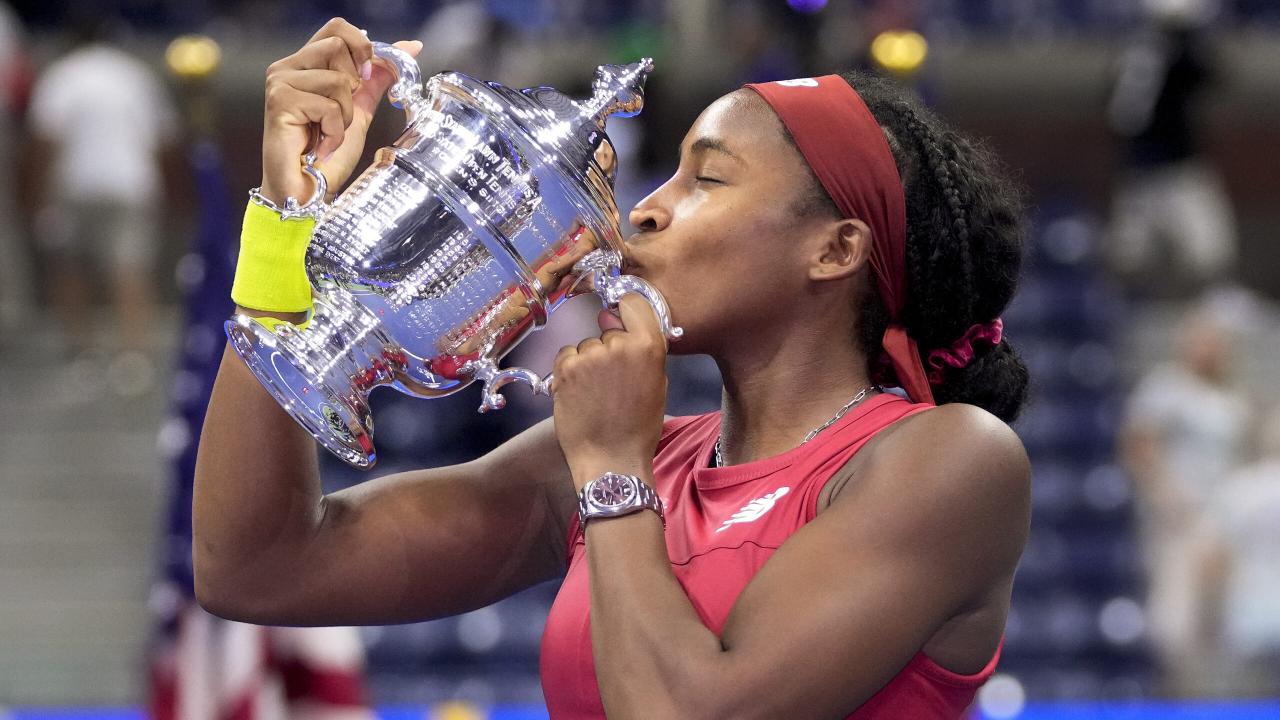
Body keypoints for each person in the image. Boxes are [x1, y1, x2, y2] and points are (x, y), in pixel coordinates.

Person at [195, 18, 1031, 719]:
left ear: (835, 248)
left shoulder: (953, 458)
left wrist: (610, 471)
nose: (645, 207)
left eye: (706, 177)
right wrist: (287, 229)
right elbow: (258, 569)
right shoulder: (626, 454)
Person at [26, 13, 178, 392]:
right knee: (129, 268)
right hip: (130, 184)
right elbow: (162, 138)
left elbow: (45, 139)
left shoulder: (62, 75)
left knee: (72, 267)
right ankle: (133, 356)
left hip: (75, 184)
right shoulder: (133, 76)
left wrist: (38, 196)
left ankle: (83, 353)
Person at [1120, 304, 1249, 697]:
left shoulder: (1231, 399)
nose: (1206, 349)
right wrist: (1167, 497)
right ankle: (1179, 698)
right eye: (1199, 340)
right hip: (1179, 517)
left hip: (1223, 517)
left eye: (1214, 342)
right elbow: (1139, 444)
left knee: (1223, 616)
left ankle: (1220, 698)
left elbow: (1237, 460)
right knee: (1177, 620)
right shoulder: (1166, 386)